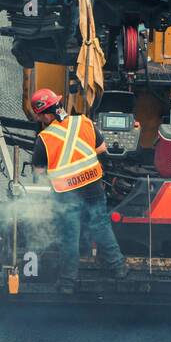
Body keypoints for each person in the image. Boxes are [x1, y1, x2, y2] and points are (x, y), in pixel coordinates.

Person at [29, 88, 126, 292]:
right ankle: (118, 268)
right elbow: (101, 150)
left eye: (39, 116)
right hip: (93, 188)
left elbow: (38, 171)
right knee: (101, 226)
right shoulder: (84, 122)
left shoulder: (44, 139)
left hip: (67, 195)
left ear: (46, 114)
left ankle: (67, 284)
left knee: (70, 236)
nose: (39, 119)